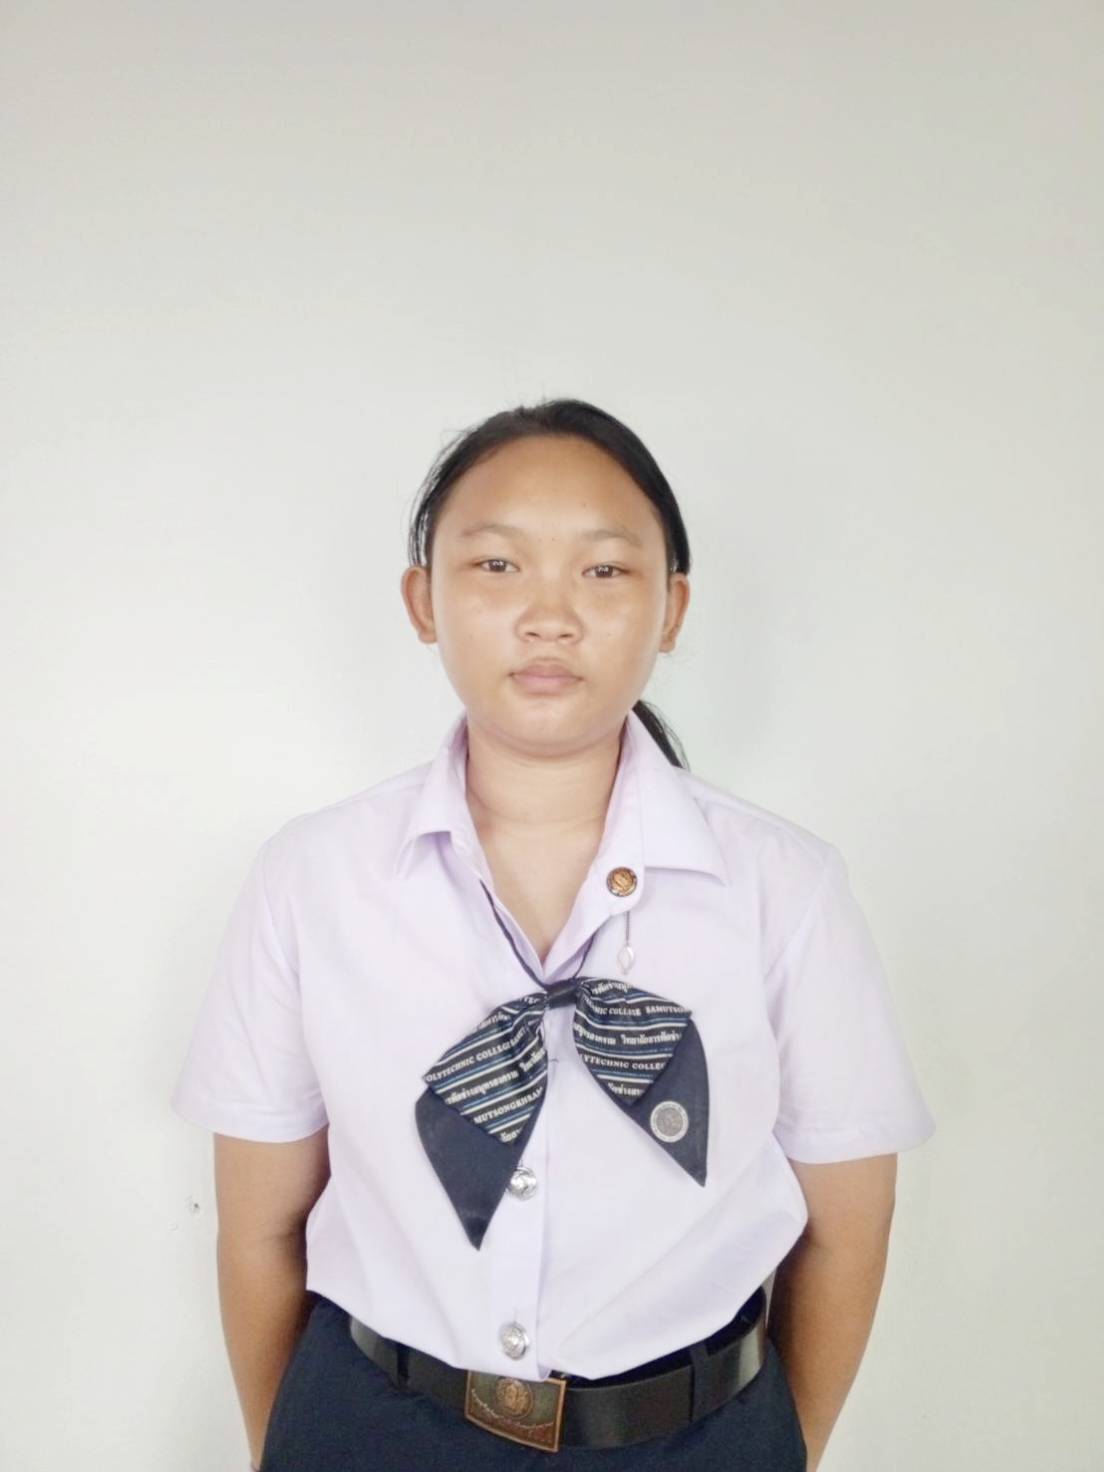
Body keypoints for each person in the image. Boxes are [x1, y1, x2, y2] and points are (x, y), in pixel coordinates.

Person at [170, 397, 936, 1471]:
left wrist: (770, 1449)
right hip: (371, 1424)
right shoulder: (313, 875)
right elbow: (259, 1228)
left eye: (604, 570)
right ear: (423, 599)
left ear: (671, 608)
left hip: (695, 1436)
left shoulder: (784, 887)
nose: (549, 616)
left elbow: (848, 1225)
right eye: (497, 565)